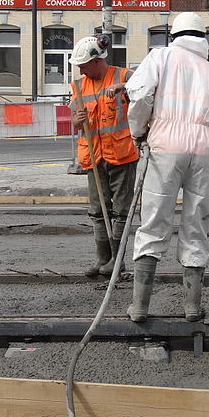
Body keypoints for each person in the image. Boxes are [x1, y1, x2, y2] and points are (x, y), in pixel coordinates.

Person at [125, 12, 209, 322]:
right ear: (203, 39)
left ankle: (140, 307)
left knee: (154, 221)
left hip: (165, 149)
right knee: (196, 224)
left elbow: (141, 95)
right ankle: (191, 307)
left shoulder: (160, 57)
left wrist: (139, 129)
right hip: (204, 152)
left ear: (173, 35)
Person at [69, 35, 139, 278]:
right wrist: (75, 122)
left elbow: (149, 86)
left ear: (96, 61)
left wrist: (125, 88)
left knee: (121, 210)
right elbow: (74, 119)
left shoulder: (124, 76)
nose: (81, 70)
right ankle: (103, 258)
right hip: (94, 156)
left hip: (121, 155)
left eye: (83, 66)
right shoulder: (79, 86)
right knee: (98, 211)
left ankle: (117, 261)